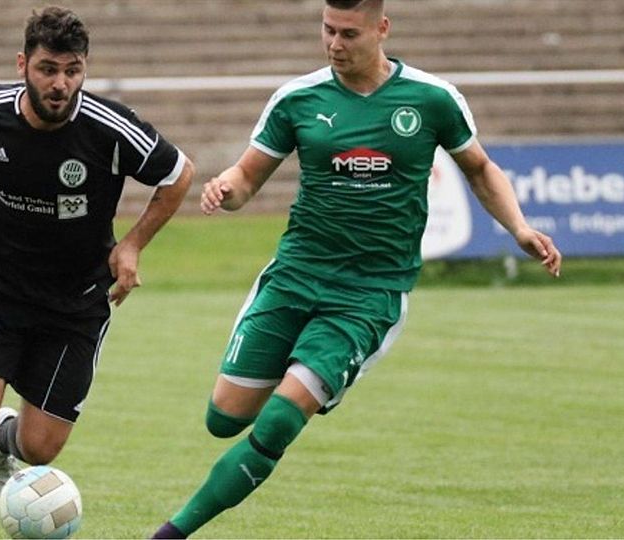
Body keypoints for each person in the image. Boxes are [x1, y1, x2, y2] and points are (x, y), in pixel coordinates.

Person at [150, 0, 561, 537]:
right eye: (328, 31)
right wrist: (226, 189)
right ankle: (303, 370)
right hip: (295, 276)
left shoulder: (432, 99)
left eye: (348, 33)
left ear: (382, 29)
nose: (335, 44)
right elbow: (248, 177)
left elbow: (481, 169)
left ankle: (171, 532)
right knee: (224, 418)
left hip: (369, 294)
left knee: (278, 420)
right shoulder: (298, 99)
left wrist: (519, 228)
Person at [0, 6, 194, 538]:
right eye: (48, 69)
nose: (61, 83)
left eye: (72, 70)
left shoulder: (109, 128)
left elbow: (179, 174)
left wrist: (133, 244)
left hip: (79, 300)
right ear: (24, 64)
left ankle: (6, 444)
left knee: (40, 447)